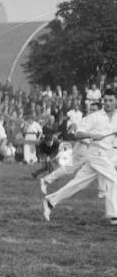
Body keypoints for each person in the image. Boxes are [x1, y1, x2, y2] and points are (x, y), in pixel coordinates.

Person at [43, 88, 117, 225]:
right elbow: (77, 134)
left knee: (77, 184)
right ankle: (113, 215)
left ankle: (50, 200)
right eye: (105, 100)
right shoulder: (94, 117)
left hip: (107, 155)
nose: (107, 103)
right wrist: (92, 135)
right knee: (115, 179)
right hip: (95, 153)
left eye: (111, 100)